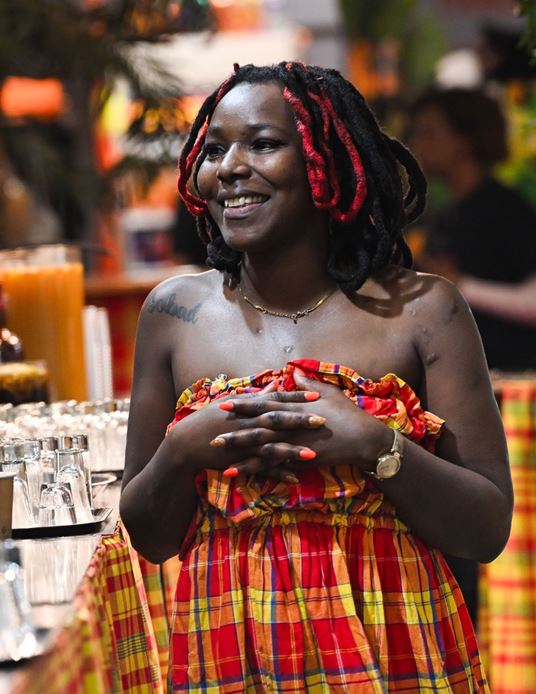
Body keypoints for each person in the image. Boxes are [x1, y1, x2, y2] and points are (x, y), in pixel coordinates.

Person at [120, 62, 512, 692]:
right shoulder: (174, 314)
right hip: (228, 653)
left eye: (264, 143)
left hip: (394, 650)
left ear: (329, 162)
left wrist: (374, 445)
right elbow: (149, 537)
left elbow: (487, 528)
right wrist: (182, 449)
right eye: (215, 149)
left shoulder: (422, 311)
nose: (230, 168)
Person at [409, 87, 536, 372]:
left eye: (429, 132)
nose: (417, 144)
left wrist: (462, 286)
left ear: (465, 140)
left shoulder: (505, 209)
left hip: (516, 381)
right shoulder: (448, 213)